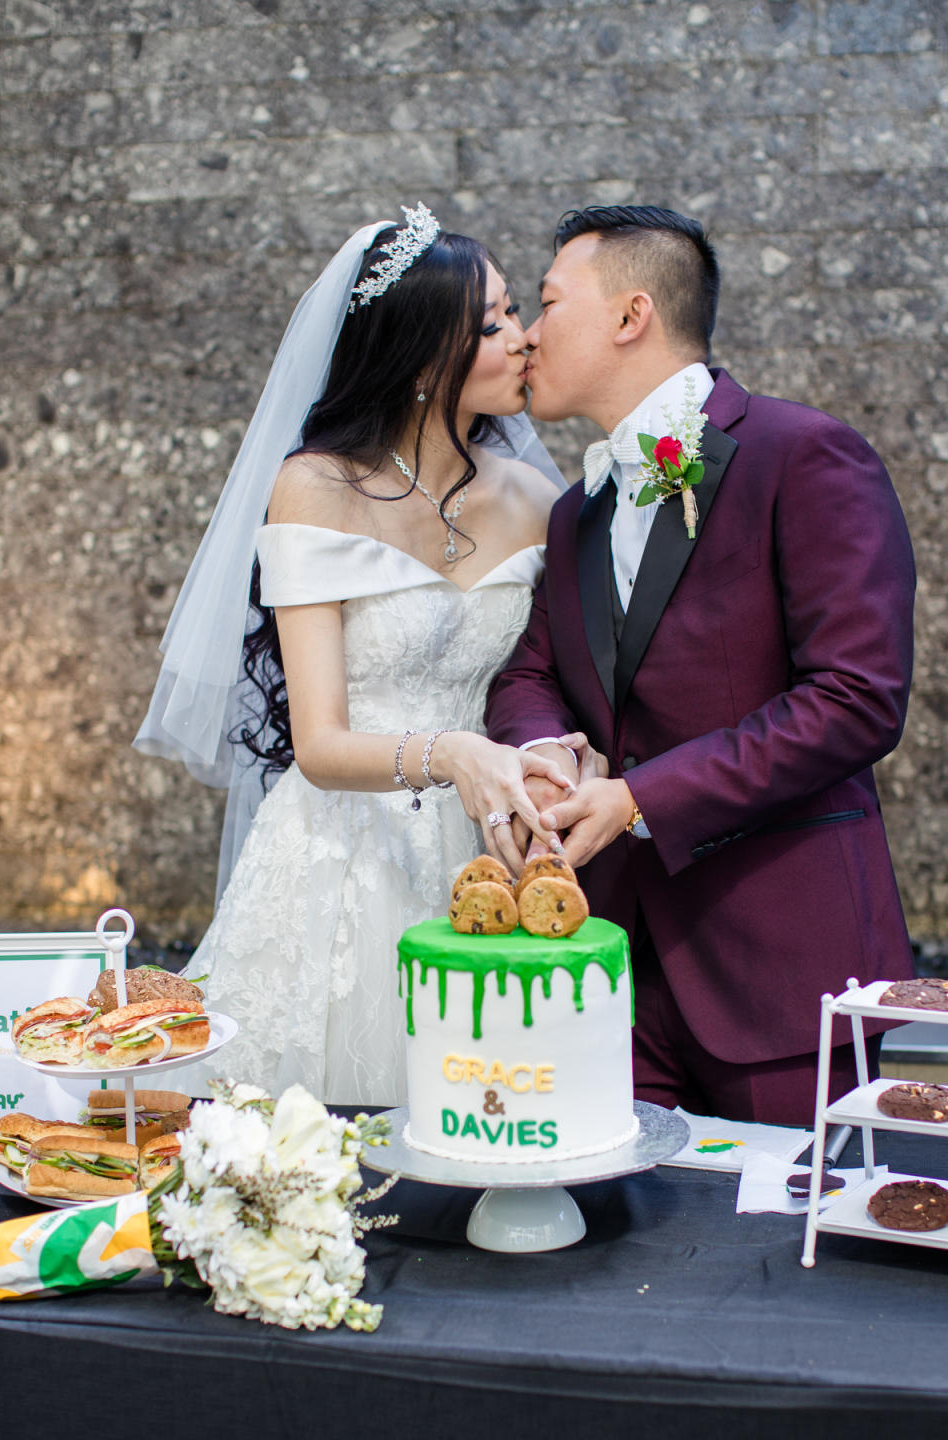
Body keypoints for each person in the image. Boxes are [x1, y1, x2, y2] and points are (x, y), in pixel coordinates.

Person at [485, 204, 916, 1126]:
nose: (525, 335)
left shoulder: (804, 456)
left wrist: (643, 799)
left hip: (781, 964)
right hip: (613, 967)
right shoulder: (576, 511)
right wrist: (543, 756)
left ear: (631, 316)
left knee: (790, 1245)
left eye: (549, 301)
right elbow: (530, 674)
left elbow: (856, 699)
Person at [135, 205, 570, 1105]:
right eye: (490, 325)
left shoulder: (535, 497)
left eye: (515, 311)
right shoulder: (315, 488)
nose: (523, 339)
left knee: (494, 1114)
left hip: (490, 851)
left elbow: (547, 683)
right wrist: (450, 754)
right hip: (344, 855)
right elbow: (321, 744)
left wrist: (563, 752)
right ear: (419, 360)